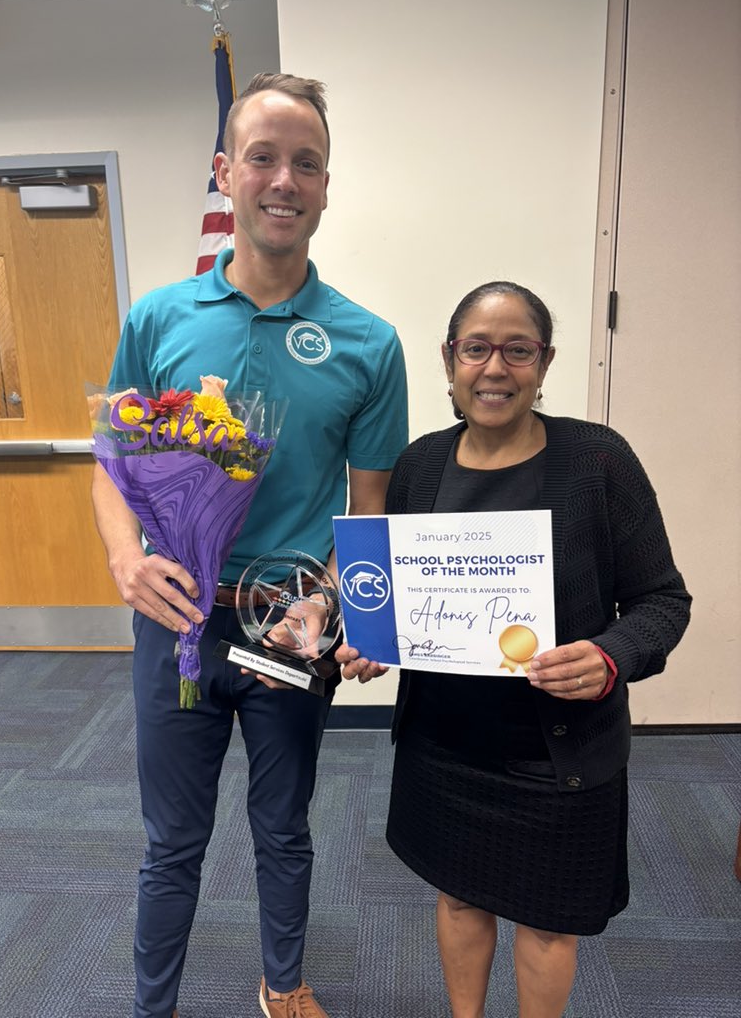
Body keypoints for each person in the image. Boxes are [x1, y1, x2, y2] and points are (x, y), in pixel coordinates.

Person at [92, 73, 408, 1018]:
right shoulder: (160, 319)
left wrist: (359, 619)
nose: (283, 179)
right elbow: (112, 465)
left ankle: (284, 982)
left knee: (284, 828)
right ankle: (155, 1005)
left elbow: (371, 510)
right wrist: (125, 557)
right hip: (179, 616)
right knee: (172, 841)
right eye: (263, 157)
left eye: (304, 162)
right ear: (228, 172)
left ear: (325, 185)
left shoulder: (368, 342)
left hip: (289, 627)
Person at [337, 281, 690, 1018]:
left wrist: (609, 656)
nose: (495, 368)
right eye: (477, 348)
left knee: (547, 922)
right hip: (447, 743)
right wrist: (378, 643)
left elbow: (662, 602)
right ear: (450, 360)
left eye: (517, 350)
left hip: (557, 752)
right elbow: (402, 598)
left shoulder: (598, 460)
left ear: (544, 361)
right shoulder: (420, 465)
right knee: (461, 900)